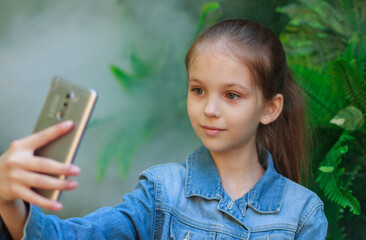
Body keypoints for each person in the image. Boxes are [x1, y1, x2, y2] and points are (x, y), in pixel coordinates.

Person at [0, 19, 328, 239]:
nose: (209, 110)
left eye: (231, 95)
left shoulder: (303, 213)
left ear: (270, 108)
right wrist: (5, 198)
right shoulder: (161, 192)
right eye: (198, 90)